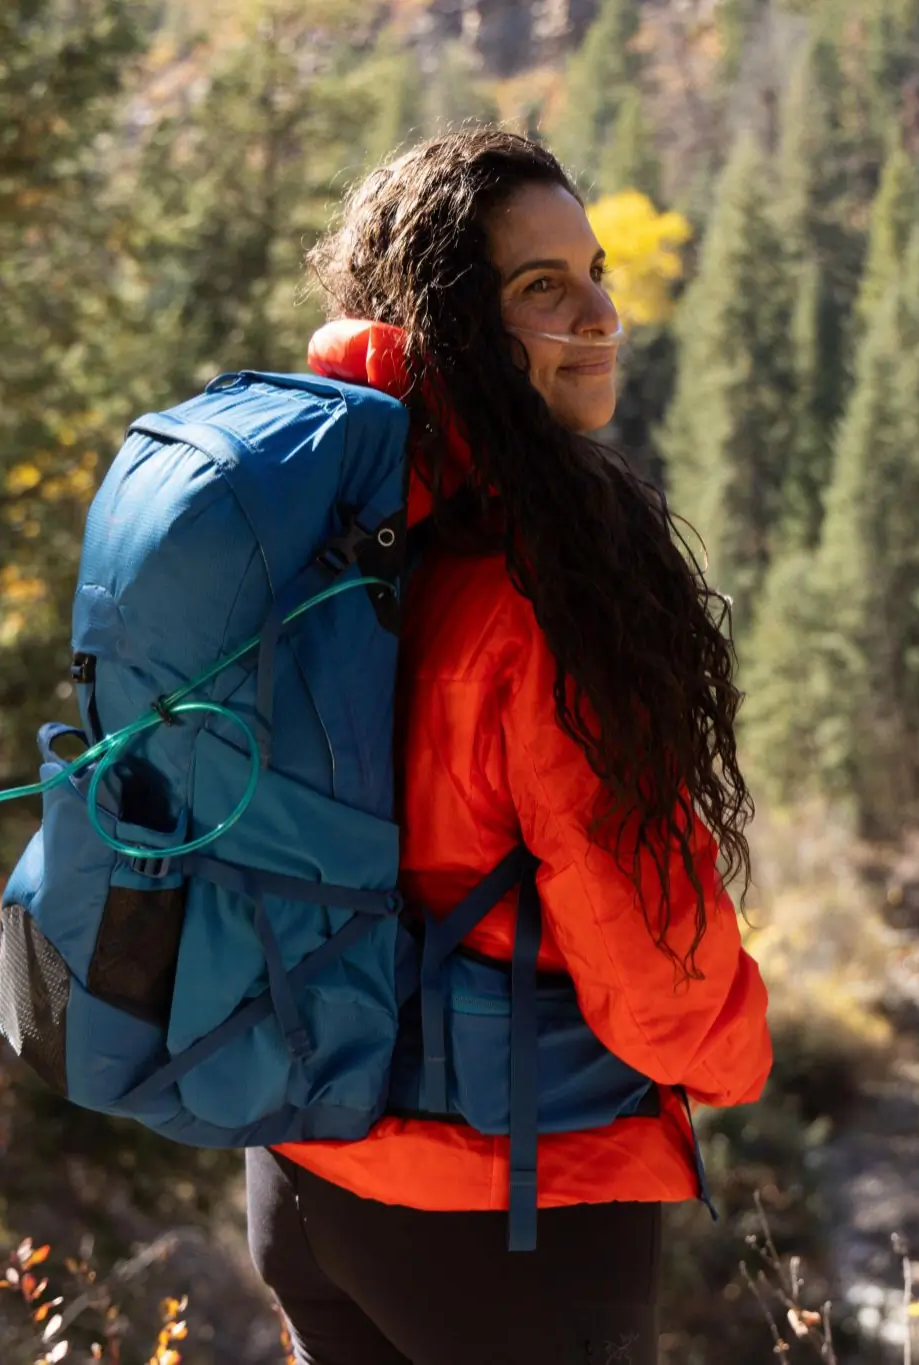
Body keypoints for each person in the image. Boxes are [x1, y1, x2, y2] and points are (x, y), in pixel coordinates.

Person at [243, 129, 774, 1365]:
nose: (600, 314)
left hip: (303, 1168)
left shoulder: (324, 535)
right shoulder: (542, 592)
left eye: (595, 272)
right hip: (499, 1209)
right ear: (457, 324)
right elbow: (650, 961)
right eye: (543, 288)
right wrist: (737, 1046)